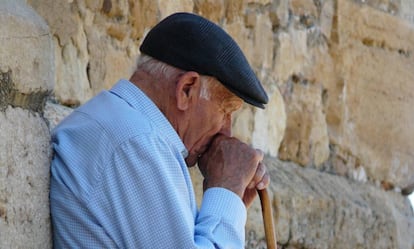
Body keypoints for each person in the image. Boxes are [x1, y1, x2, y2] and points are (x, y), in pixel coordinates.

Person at [50, 12, 270, 248]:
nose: (226, 131)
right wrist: (228, 189)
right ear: (187, 89)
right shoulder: (136, 143)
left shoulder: (125, 129)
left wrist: (228, 200)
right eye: (225, 110)